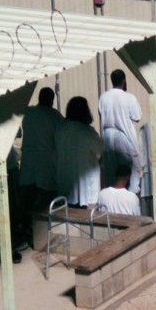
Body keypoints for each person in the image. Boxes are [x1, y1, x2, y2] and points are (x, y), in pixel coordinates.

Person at [18, 87, 63, 244]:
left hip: (29, 161)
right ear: (51, 100)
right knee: (45, 200)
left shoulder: (28, 112)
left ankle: (25, 227)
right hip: (46, 162)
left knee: (27, 198)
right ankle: (40, 232)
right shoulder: (55, 116)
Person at [99, 69, 143, 194]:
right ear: (124, 81)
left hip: (107, 137)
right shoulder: (129, 97)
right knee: (132, 171)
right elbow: (137, 116)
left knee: (110, 174)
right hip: (123, 136)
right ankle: (130, 197)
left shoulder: (103, 97)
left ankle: (111, 206)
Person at [56, 97, 104, 208]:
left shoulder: (60, 129)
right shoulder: (88, 132)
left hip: (64, 183)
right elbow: (102, 149)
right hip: (86, 188)